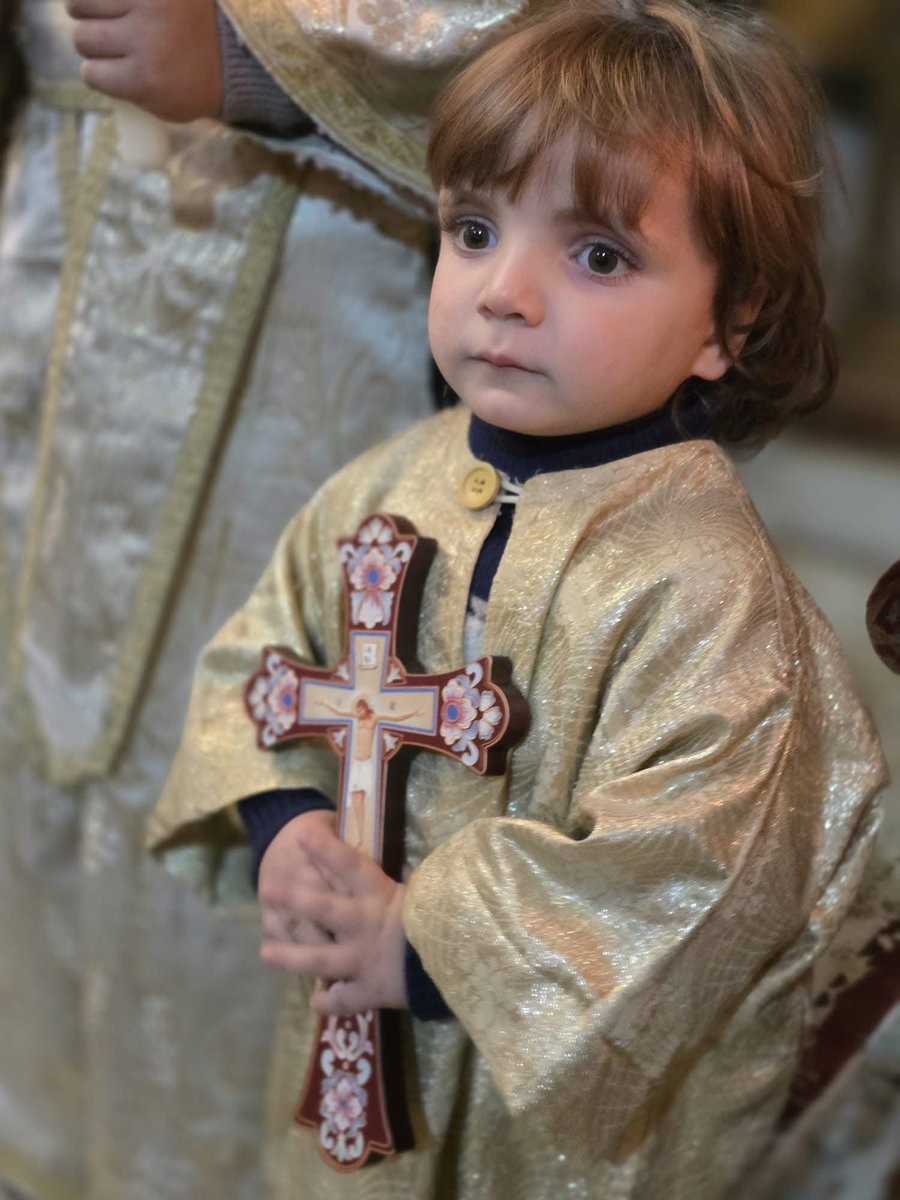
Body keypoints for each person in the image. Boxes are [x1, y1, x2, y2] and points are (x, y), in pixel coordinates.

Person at [150, 2, 886, 1196]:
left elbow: (701, 872)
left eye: (598, 256)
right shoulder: (383, 485)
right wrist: (284, 823)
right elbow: (263, 664)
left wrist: (423, 943)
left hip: (542, 1134)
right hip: (348, 1045)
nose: (506, 293)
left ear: (730, 320)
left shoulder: (707, 592)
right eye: (475, 230)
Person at [0, 0, 542, 1195]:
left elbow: (588, 40)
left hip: (326, 250)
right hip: (59, 236)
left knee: (277, 733)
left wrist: (268, 56)